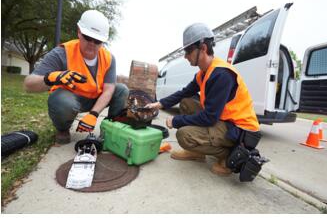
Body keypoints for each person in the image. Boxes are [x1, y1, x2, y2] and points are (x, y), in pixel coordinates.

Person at [146, 23, 261, 176]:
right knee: (187, 102)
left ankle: (227, 156)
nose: (185, 56)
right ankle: (197, 153)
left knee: (184, 135)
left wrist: (176, 121)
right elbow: (184, 93)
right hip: (225, 122)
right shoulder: (204, 73)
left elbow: (209, 117)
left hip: (240, 130)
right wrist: (159, 104)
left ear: (203, 48)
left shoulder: (222, 75)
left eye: (188, 51)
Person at [24, 10, 129, 145]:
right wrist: (50, 78)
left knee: (121, 90)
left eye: (97, 40)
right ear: (79, 32)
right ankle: (63, 129)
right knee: (62, 101)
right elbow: (28, 84)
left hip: (95, 99)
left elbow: (109, 89)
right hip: (70, 99)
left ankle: (111, 128)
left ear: (103, 41)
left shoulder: (109, 58)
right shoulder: (62, 53)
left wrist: (93, 114)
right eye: (87, 37)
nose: (92, 43)